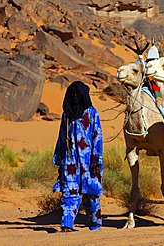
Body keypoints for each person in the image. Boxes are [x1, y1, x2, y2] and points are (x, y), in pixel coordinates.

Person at [52, 81, 103, 232]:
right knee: (70, 192)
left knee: (91, 194)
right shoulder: (67, 115)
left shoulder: (92, 114)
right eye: (72, 95)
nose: (75, 98)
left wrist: (97, 161)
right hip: (70, 162)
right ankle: (67, 224)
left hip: (89, 162)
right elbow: (61, 137)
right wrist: (60, 161)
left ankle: (95, 224)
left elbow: (97, 138)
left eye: (77, 95)